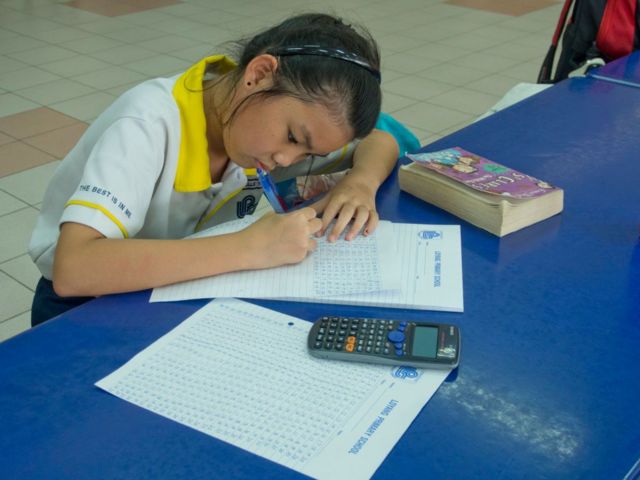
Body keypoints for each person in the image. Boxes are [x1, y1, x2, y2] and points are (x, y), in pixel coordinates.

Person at [28, 13, 407, 326]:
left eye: (309, 153)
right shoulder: (147, 124)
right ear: (258, 74)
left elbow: (383, 140)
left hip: (173, 287)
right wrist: (251, 247)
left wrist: (359, 183)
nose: (287, 161)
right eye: (293, 137)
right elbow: (74, 269)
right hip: (83, 307)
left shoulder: (262, 134)